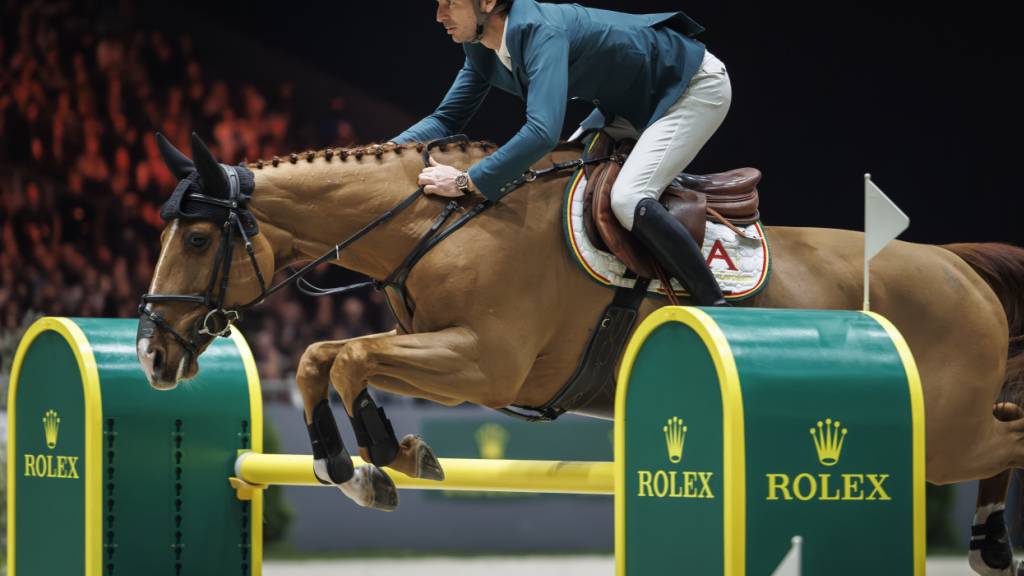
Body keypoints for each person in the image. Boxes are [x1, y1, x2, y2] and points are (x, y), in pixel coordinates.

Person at [394, 0, 732, 306]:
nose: (439, 16)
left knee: (627, 198)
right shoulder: (480, 47)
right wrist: (381, 152)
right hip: (629, 104)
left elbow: (542, 132)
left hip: (691, 88)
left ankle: (713, 303)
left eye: (450, 4)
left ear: (487, 3)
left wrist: (468, 180)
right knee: (556, 179)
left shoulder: (542, 30)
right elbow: (446, 118)